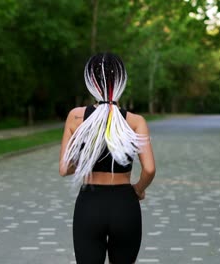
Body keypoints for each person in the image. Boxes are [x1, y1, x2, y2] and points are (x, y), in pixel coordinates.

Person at [59, 52, 156, 264]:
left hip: (89, 204)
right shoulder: (135, 121)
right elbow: (149, 170)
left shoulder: (76, 117)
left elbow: (64, 168)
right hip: (125, 204)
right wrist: (138, 190)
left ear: (90, 82)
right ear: (122, 81)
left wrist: (87, 159)